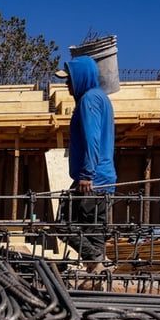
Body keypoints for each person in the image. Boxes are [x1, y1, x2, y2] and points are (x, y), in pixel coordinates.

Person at [56, 55, 117, 274]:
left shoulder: (88, 100)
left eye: (70, 79)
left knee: (63, 224)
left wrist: (86, 174)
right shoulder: (101, 98)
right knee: (95, 233)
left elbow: (92, 138)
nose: (67, 84)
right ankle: (98, 271)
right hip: (104, 179)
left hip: (92, 179)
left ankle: (98, 261)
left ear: (81, 77)